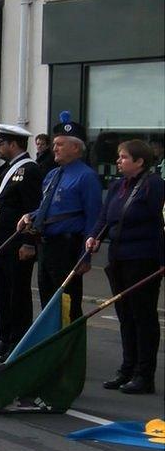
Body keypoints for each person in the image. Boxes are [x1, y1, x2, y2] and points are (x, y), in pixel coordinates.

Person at [85, 140, 164, 395]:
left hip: (143, 259)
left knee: (143, 317)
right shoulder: (118, 185)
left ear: (140, 161)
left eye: (123, 157)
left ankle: (144, 374)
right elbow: (104, 217)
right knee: (125, 316)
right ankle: (127, 368)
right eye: (119, 157)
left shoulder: (153, 186)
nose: (118, 161)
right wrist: (94, 235)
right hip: (118, 258)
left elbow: (160, 224)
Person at [17, 114, 102, 321]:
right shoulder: (53, 175)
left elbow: (94, 218)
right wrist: (30, 215)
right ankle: (51, 347)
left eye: (60, 144)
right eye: (54, 144)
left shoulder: (86, 176)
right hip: (47, 245)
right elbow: (48, 208)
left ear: (76, 148)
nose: (54, 148)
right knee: (48, 301)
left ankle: (69, 350)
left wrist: (85, 256)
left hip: (68, 247)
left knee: (68, 303)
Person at [0, 124, 43, 361]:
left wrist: (29, 242)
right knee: (3, 292)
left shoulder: (30, 170)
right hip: (0, 241)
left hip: (16, 243)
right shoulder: (4, 170)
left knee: (17, 293)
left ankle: (18, 341)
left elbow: (32, 208)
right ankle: (5, 339)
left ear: (13, 144)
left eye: (1, 144)